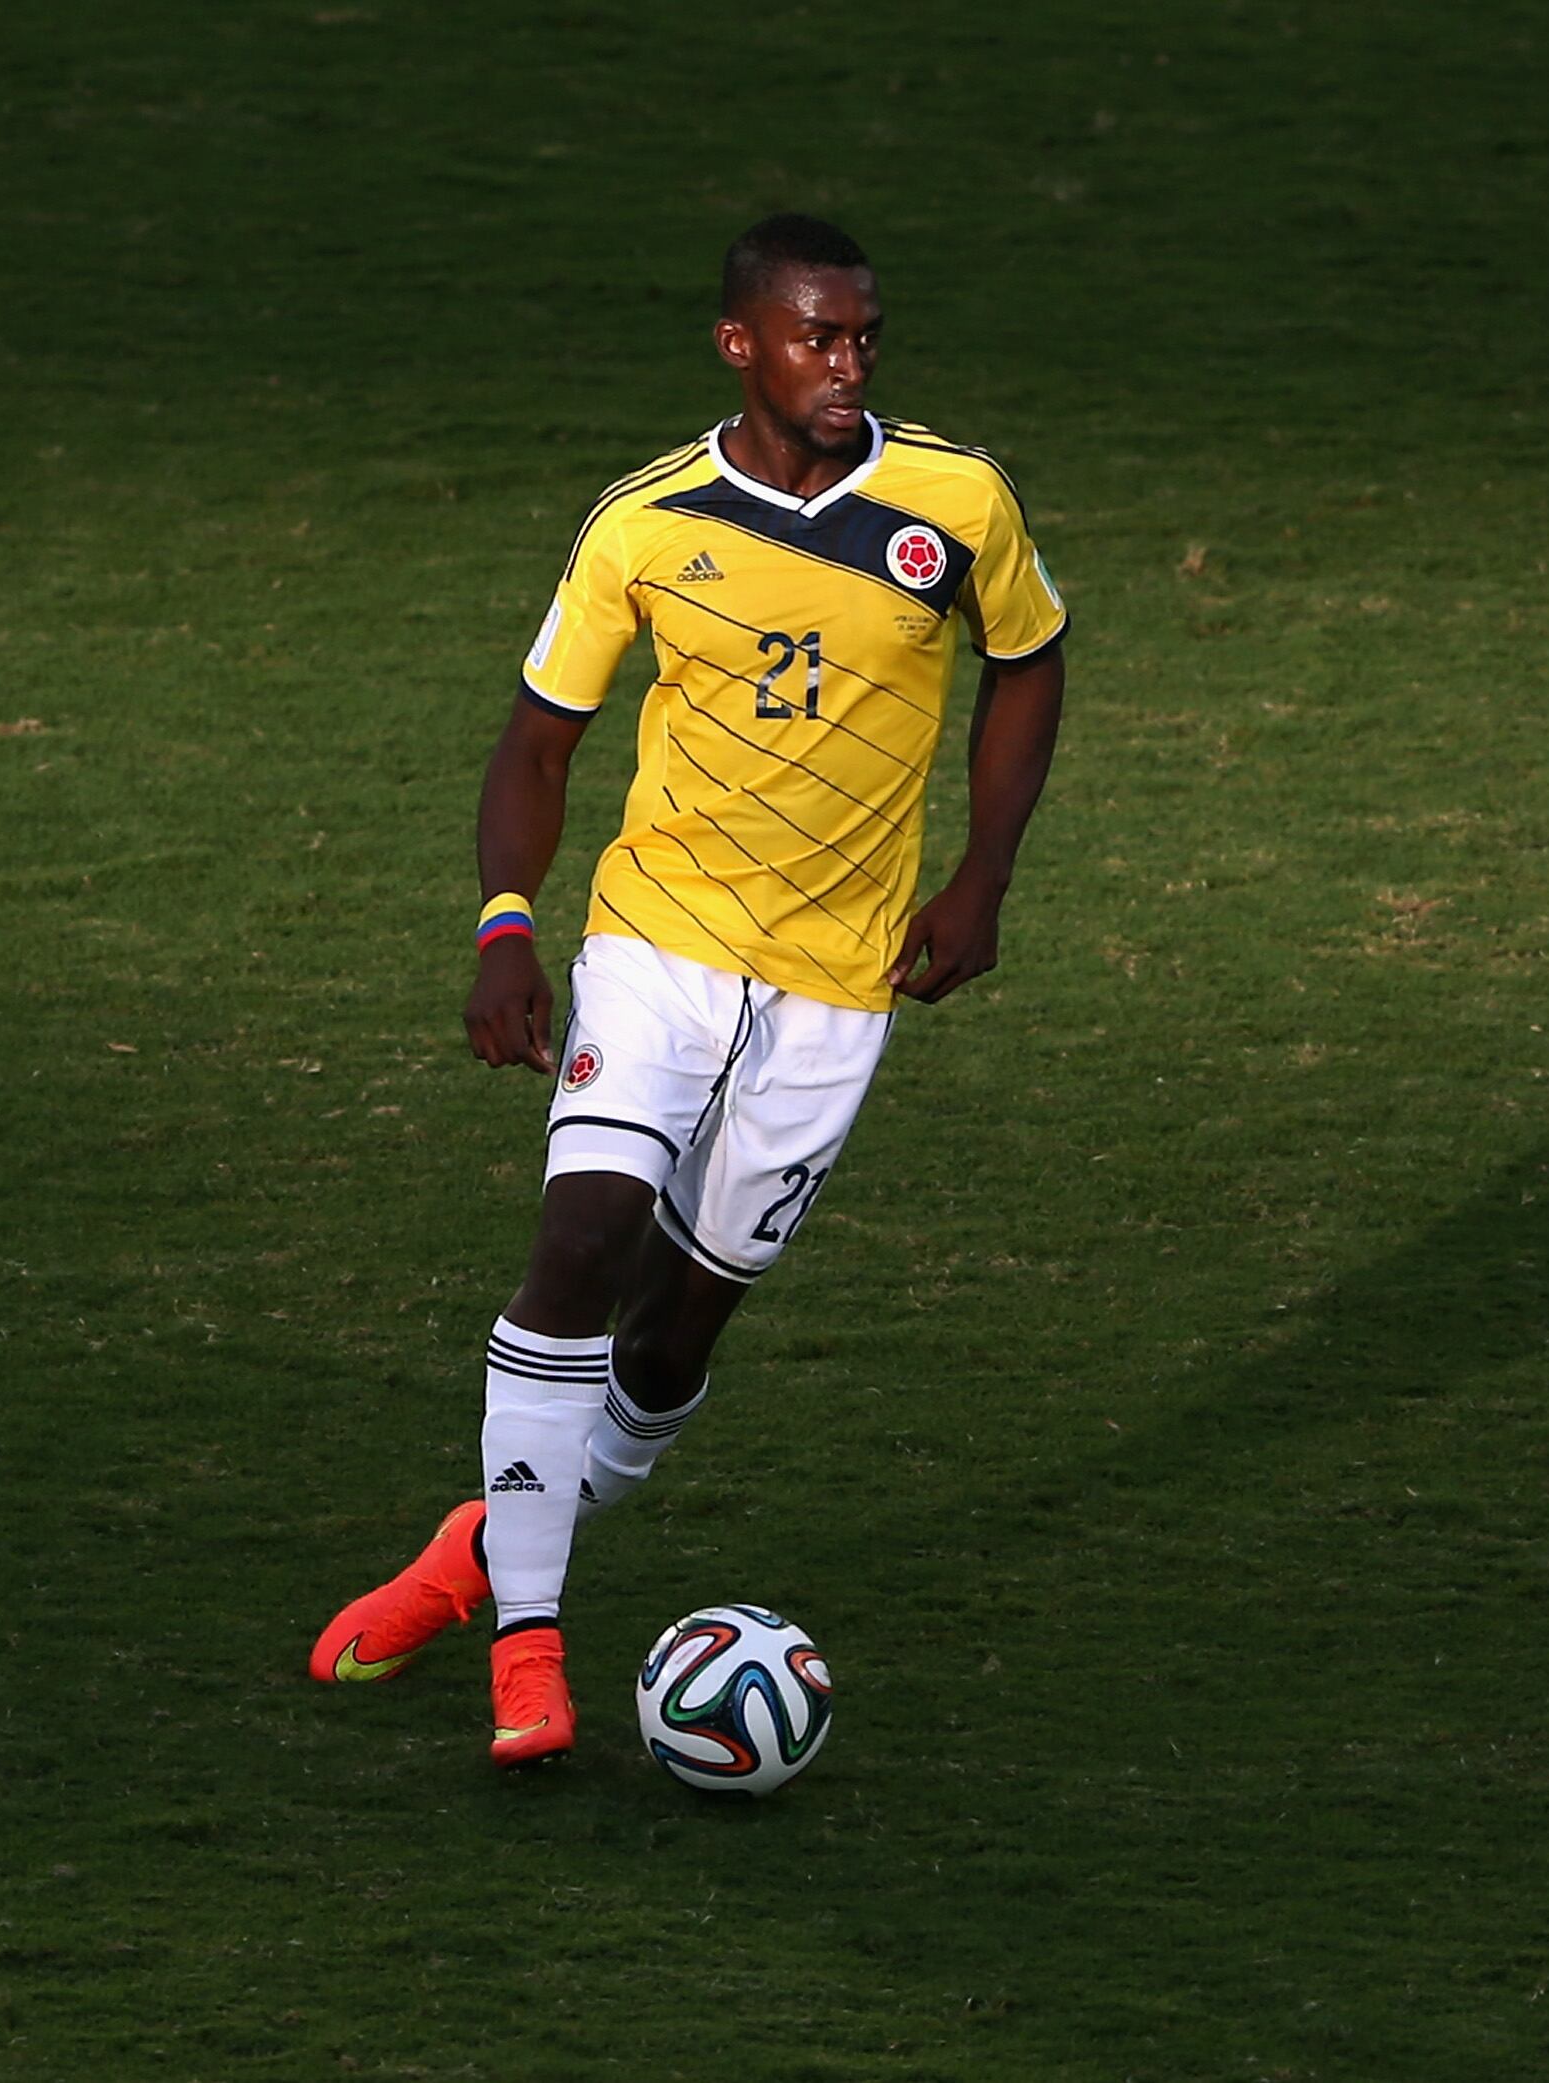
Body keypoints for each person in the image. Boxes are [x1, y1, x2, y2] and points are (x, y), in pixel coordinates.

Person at [308, 213, 1069, 1766]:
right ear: (742, 344)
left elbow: (1031, 658)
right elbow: (538, 741)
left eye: (864, 335)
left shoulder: (955, 499)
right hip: (657, 938)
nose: (848, 363)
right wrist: (505, 930)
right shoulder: (646, 522)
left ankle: (477, 1553)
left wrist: (984, 874)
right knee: (581, 1238)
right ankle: (532, 1652)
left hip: (837, 980)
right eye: (817, 336)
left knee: (669, 1348)